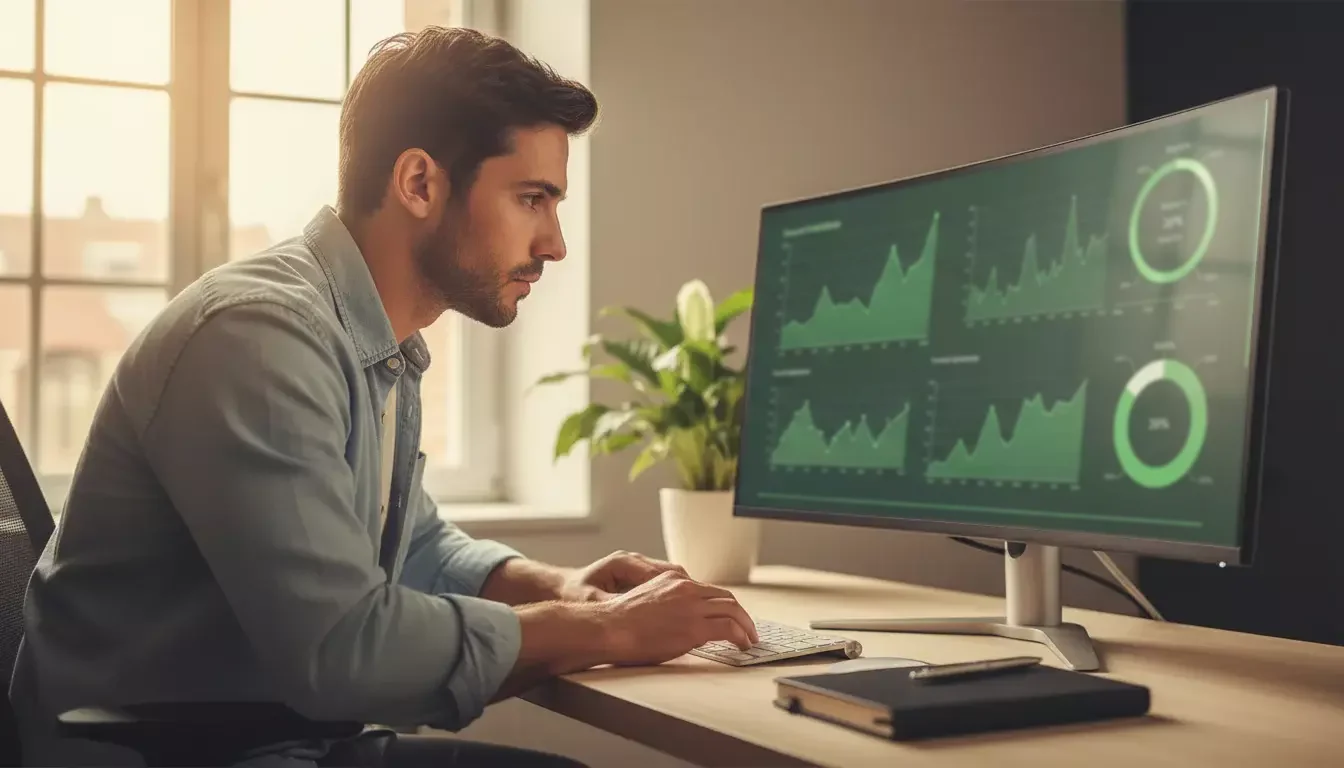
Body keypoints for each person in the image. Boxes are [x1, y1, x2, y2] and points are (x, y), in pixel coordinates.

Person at [9, 26, 759, 768]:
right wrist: (609, 631)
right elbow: (344, 650)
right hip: (170, 753)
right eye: (532, 199)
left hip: (272, 738)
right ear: (419, 183)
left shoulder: (373, 344)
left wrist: (559, 584)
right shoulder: (259, 337)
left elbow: (416, 545)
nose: (555, 243)